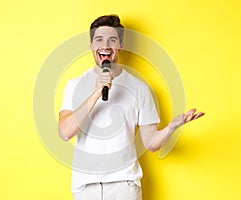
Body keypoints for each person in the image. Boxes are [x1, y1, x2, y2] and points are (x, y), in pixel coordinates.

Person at [58, 14, 204, 200]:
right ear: (91, 45)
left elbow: (151, 143)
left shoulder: (139, 87)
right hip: (85, 186)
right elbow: (64, 132)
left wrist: (171, 127)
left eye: (112, 40)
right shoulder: (75, 84)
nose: (105, 45)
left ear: (121, 45)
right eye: (99, 39)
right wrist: (95, 93)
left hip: (124, 185)